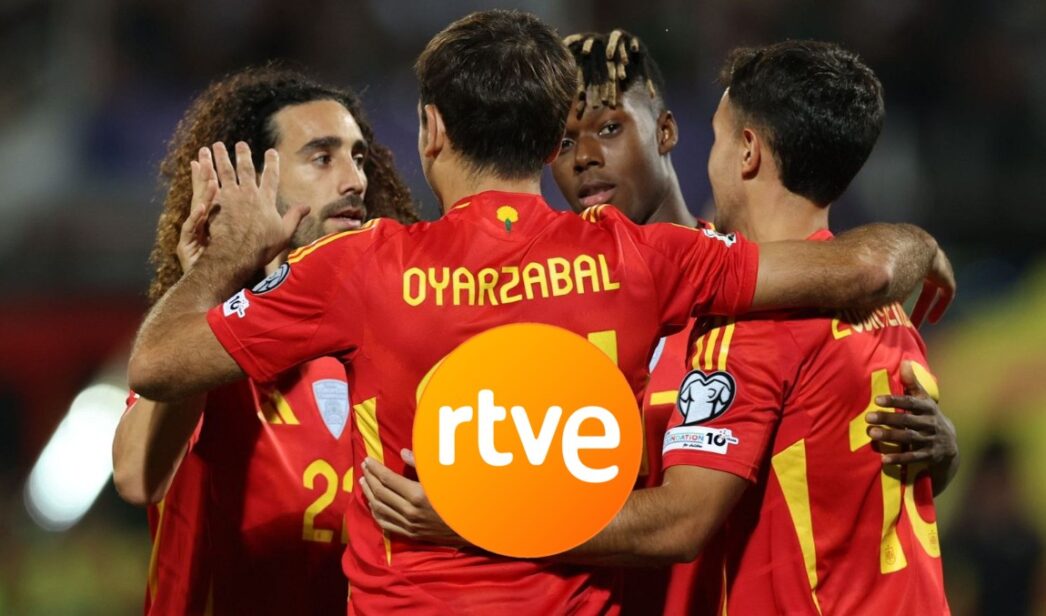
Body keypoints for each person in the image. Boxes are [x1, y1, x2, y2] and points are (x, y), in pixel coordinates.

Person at [127, 11, 952, 615]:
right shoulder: (642, 260)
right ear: (552, 136)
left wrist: (222, 263)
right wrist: (919, 242)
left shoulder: (361, 269)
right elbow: (865, 269)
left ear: (431, 131)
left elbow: (156, 364)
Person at [111, 66, 418, 615]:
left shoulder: (393, 338)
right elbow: (137, 478)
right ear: (252, 185)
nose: (355, 180)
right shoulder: (206, 341)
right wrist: (215, 273)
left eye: (358, 158)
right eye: (322, 158)